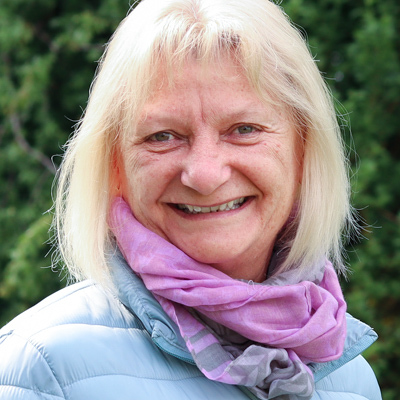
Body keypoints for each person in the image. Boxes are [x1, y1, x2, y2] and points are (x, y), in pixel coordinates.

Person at [0, 0, 382, 399]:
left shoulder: (350, 381)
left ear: (303, 148)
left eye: (244, 129)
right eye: (162, 136)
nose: (204, 175)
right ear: (115, 163)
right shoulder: (45, 370)